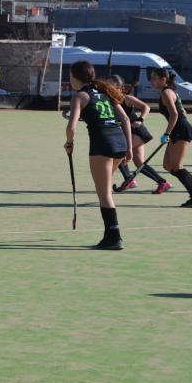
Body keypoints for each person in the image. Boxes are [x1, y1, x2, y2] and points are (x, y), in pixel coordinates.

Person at [65, 61, 133, 250]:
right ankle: (108, 235)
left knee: (104, 195)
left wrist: (69, 143)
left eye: (70, 75)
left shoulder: (80, 96)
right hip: (119, 143)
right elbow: (125, 119)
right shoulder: (105, 92)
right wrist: (129, 148)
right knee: (105, 193)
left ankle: (115, 237)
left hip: (102, 145)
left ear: (76, 77)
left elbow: (71, 127)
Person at [108, 75, 172, 194]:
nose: (108, 87)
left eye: (111, 85)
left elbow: (146, 107)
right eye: (107, 84)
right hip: (129, 134)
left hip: (137, 132)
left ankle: (128, 179)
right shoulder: (109, 101)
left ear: (120, 87)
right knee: (139, 163)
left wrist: (140, 119)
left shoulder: (126, 98)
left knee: (118, 152)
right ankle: (163, 182)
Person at [150, 68, 192, 207]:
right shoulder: (170, 91)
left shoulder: (166, 92)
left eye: (154, 78)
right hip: (177, 130)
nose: (151, 81)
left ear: (163, 79)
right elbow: (182, 110)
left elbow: (175, 114)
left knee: (177, 166)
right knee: (168, 165)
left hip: (180, 130)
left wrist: (167, 133)